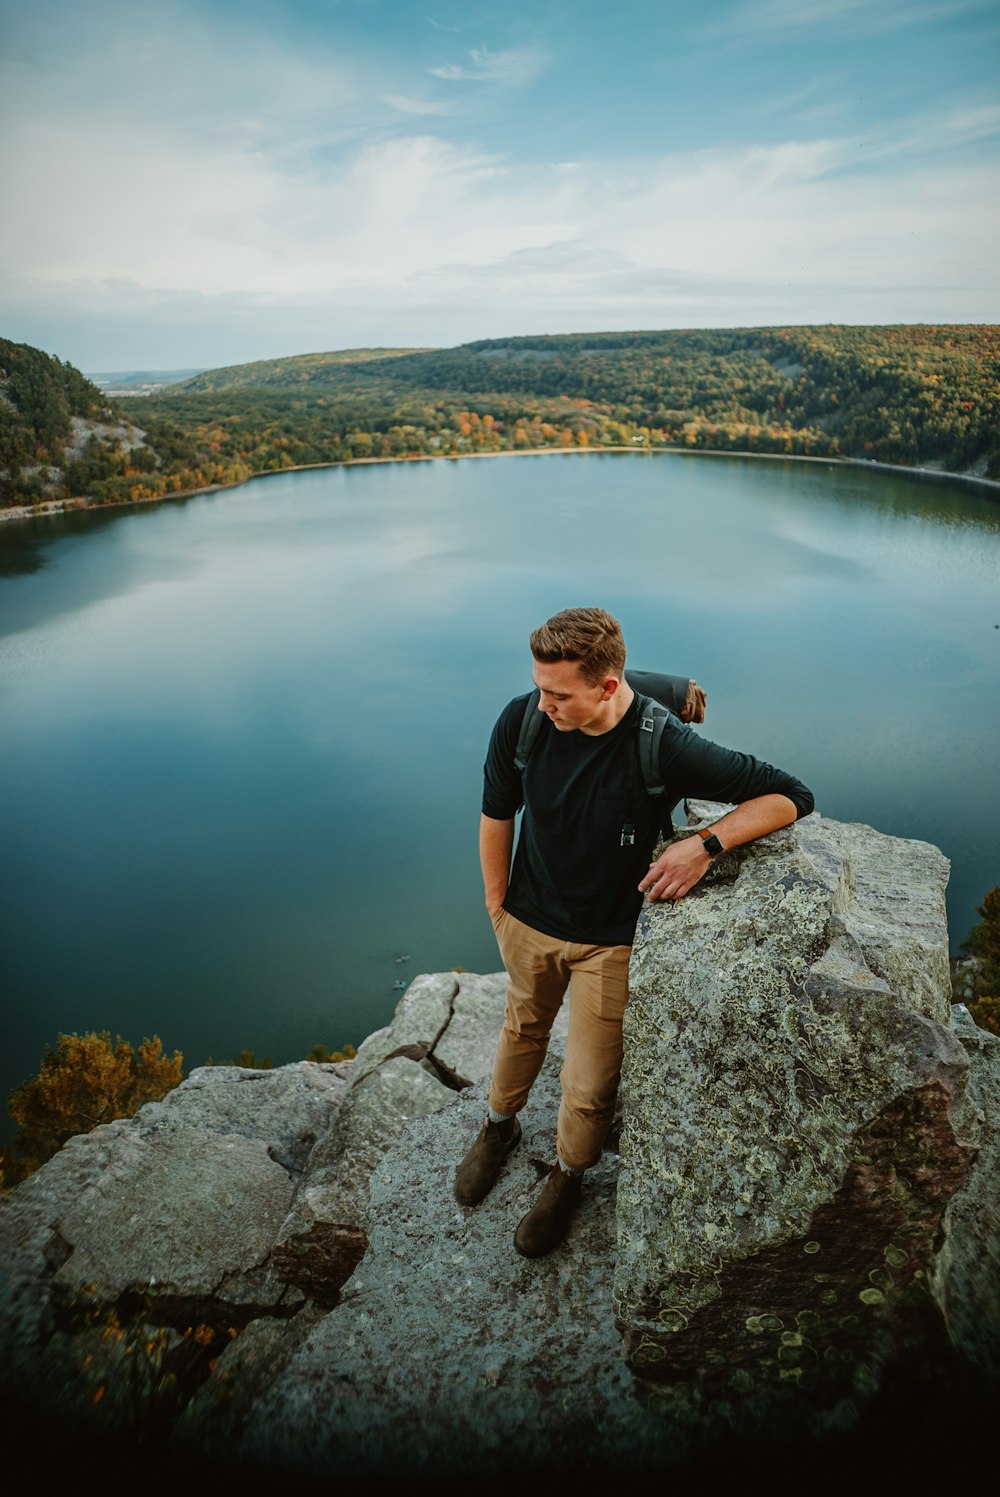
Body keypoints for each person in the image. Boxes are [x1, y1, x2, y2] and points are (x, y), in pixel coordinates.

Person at [454, 606, 814, 1257]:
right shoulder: (523, 719)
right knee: (520, 1028)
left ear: (608, 686)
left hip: (609, 941)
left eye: (558, 694)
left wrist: (705, 844)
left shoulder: (660, 742)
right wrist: (496, 903)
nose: (543, 704)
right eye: (539, 687)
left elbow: (788, 795)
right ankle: (498, 1126)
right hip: (527, 920)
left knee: (590, 1085)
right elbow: (496, 808)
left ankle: (567, 1175)